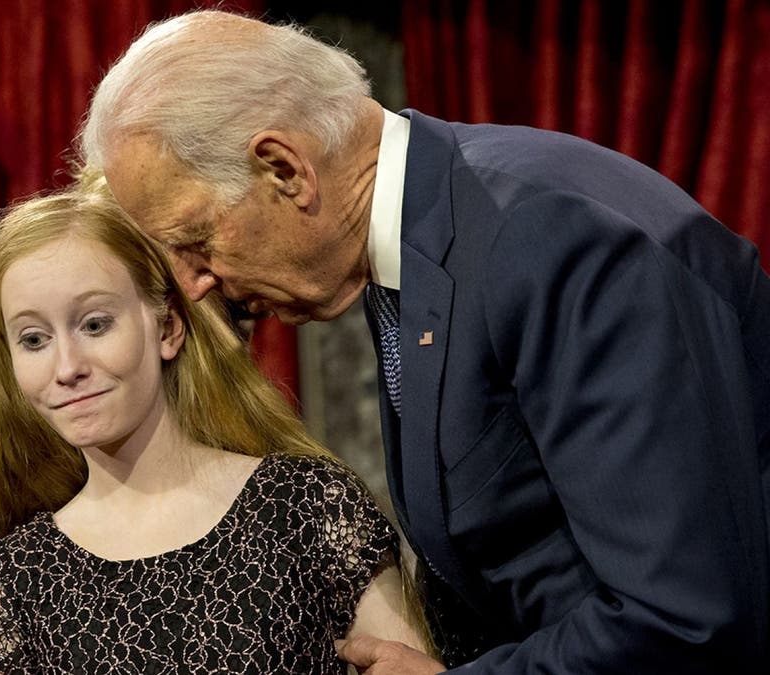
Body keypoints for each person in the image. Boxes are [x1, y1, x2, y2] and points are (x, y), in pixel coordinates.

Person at [80, 9, 770, 675]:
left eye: (196, 241)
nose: (196, 283)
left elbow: (684, 619)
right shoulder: (428, 237)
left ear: (284, 170)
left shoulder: (545, 237)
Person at [0, 176, 431, 673]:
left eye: (94, 324)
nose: (67, 367)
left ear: (168, 327)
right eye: (33, 339)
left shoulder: (306, 506)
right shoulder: (17, 582)